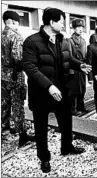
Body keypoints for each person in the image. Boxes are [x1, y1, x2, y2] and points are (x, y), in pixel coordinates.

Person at [22, 7, 91, 173]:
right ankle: (44, 158)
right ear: (51, 22)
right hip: (41, 92)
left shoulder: (63, 40)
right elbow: (29, 67)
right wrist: (49, 86)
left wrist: (79, 65)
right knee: (41, 127)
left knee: (66, 121)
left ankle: (67, 147)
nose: (64, 25)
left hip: (64, 90)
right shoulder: (32, 41)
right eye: (61, 21)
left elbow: (67, 58)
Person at [1, 10, 34, 147]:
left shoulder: (2, 35)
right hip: (16, 75)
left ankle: (4, 130)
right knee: (18, 105)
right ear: (14, 21)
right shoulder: (15, 36)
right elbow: (18, 58)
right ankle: (22, 135)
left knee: (4, 104)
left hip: (3, 75)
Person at [68, 19, 88, 115]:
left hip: (82, 68)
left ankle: (81, 106)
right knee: (73, 89)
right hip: (74, 68)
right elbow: (70, 56)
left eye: (82, 28)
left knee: (82, 88)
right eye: (78, 27)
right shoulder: (69, 41)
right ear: (74, 28)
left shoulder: (83, 41)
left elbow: (85, 55)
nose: (80, 29)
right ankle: (72, 109)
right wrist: (78, 64)